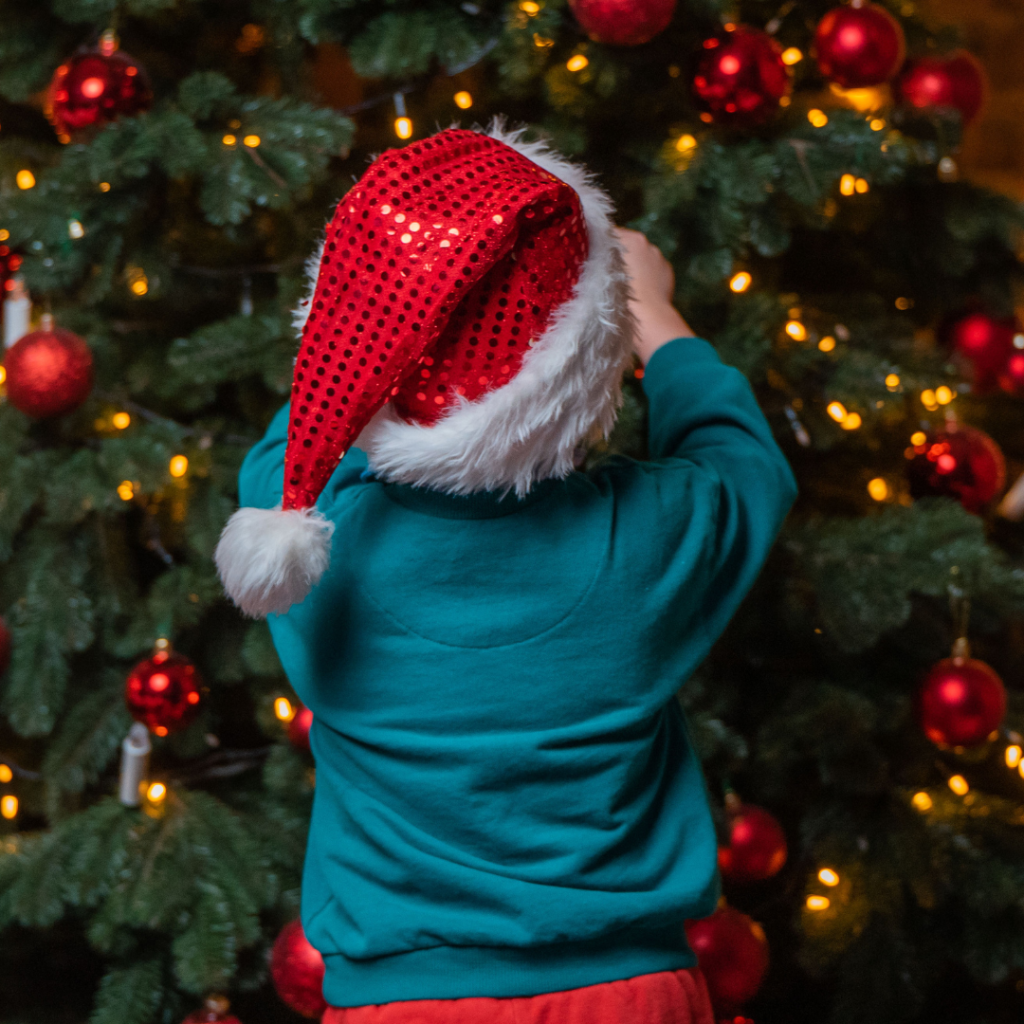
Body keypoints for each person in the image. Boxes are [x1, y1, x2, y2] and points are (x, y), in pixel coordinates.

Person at [220, 125, 797, 1024]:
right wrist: (658, 320)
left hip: (397, 1004)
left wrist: (399, 291)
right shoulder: (645, 535)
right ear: (588, 353)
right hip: (628, 997)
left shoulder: (305, 532)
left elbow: (313, 415)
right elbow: (744, 463)